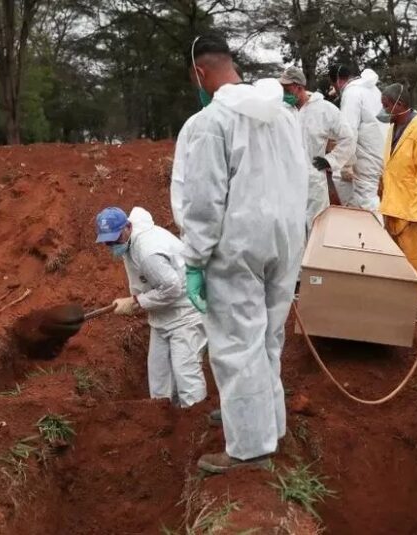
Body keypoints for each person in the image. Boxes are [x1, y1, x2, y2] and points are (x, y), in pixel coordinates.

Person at [172, 35, 307, 474]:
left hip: (238, 244)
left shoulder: (211, 122)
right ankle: (269, 423)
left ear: (200, 73)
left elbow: (204, 201)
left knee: (236, 345)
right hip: (285, 239)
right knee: (269, 336)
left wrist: (194, 259)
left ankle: (249, 447)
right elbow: (301, 178)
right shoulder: (284, 115)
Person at [95, 206, 208, 407]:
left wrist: (136, 302)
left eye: (115, 238)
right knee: (159, 380)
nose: (112, 244)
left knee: (186, 374)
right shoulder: (130, 241)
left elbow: (172, 288)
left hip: (185, 314)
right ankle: (164, 428)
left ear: (127, 227)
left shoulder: (147, 252)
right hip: (162, 317)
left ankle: (195, 429)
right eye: (108, 241)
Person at [378, 83, 417, 310]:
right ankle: (402, 297)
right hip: (393, 204)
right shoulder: (393, 128)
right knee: (398, 258)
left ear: (400, 105)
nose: (384, 110)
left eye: (386, 106)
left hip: (412, 208)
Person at [280, 66, 356, 230]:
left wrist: (331, 161)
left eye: (287, 89)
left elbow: (348, 137)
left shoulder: (324, 109)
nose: (283, 93)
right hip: (288, 181)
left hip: (313, 182)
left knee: (316, 227)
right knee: (291, 229)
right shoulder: (282, 111)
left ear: (299, 87)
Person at [328, 64, 385, 216]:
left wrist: (347, 164)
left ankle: (372, 235)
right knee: (365, 195)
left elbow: (348, 130)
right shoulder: (372, 89)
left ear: (339, 81)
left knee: (366, 200)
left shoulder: (351, 93)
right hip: (381, 150)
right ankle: (361, 225)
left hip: (366, 155)